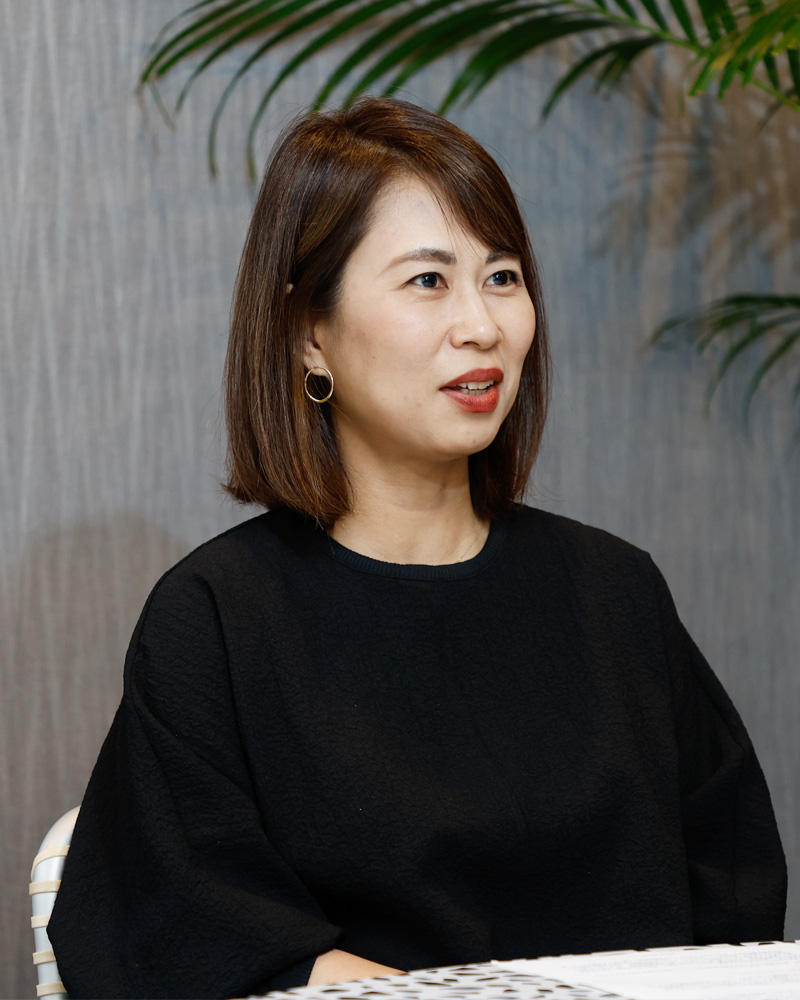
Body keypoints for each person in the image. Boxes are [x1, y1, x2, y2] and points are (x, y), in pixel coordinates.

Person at [49, 96, 786, 1000]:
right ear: (307, 333)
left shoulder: (616, 590)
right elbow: (185, 923)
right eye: (429, 281)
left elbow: (735, 886)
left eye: (502, 276)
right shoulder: (215, 619)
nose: (482, 325)